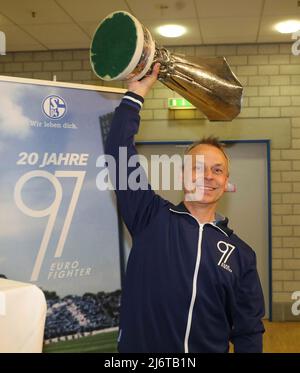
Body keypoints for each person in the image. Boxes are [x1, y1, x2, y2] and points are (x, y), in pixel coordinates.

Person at [105, 63, 265, 353]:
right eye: (198, 168)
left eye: (217, 170)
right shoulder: (150, 217)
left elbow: (248, 331)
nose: (208, 176)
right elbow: (118, 153)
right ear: (181, 176)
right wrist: (136, 93)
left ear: (226, 181)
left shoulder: (241, 255)